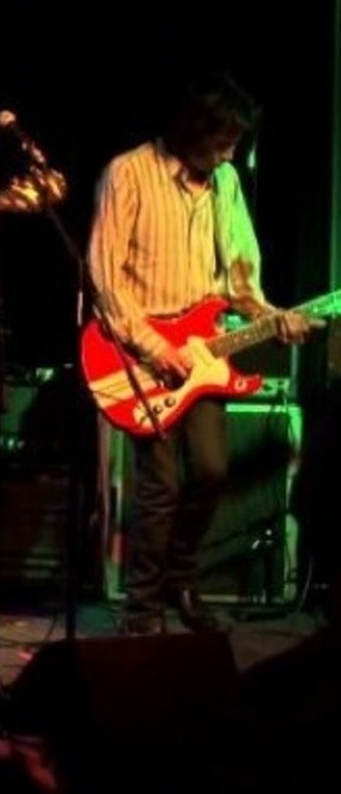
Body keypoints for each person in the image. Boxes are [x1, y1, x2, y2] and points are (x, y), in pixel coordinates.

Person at [87, 70, 314, 636]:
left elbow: (240, 279)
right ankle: (143, 610)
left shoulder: (226, 183)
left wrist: (272, 318)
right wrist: (155, 346)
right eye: (222, 141)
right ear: (192, 129)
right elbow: (105, 278)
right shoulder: (128, 172)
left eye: (234, 143)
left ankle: (180, 579)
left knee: (212, 471)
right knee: (161, 485)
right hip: (138, 354)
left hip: (203, 353)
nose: (229, 153)